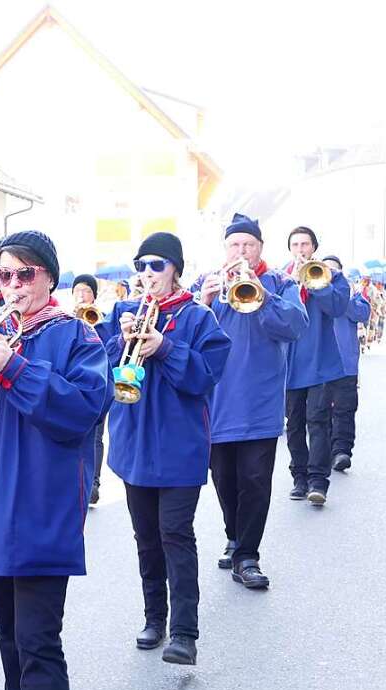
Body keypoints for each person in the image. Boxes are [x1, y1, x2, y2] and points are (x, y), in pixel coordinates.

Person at [0, 231, 111, 690]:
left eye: (25, 275)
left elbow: (83, 410)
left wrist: (14, 367)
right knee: (6, 632)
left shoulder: (76, 337)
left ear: (49, 276)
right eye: (4, 275)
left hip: (42, 508)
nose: (13, 286)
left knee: (39, 639)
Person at [98, 232, 230, 665]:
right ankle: (154, 618)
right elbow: (102, 372)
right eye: (142, 266)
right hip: (134, 444)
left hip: (179, 447)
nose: (148, 274)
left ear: (175, 268)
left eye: (157, 265)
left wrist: (165, 346)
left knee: (175, 534)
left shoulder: (198, 317)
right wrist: (119, 342)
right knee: (146, 538)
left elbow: (204, 377)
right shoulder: (123, 312)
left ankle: (184, 633)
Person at [194, 213, 307, 589]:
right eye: (234, 245)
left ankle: (247, 556)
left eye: (249, 245)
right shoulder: (206, 283)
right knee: (224, 479)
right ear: (225, 249)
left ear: (260, 248)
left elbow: (295, 326)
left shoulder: (279, 282)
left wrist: (261, 293)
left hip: (260, 402)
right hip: (217, 403)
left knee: (255, 481)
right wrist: (203, 302)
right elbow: (183, 340)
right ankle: (234, 535)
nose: (241, 251)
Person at [283, 226, 350, 506]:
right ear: (290, 249)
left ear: (314, 248)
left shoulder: (332, 276)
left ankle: (318, 482)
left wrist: (315, 283)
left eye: (305, 244)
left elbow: (337, 307)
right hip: (289, 364)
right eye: (295, 244)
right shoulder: (281, 277)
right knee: (294, 425)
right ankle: (299, 477)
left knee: (318, 422)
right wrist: (292, 282)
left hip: (320, 362)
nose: (300, 249)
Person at [322, 255, 370, 473]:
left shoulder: (352, 295)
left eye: (334, 272)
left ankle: (341, 451)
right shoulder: (313, 293)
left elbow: (363, 314)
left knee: (345, 409)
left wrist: (344, 295)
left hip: (345, 364)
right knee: (319, 412)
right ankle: (323, 451)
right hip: (318, 366)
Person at [72, 273, 105, 505]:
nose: (82, 295)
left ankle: (94, 481)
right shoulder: (67, 319)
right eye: (78, 291)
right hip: (77, 384)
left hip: (99, 383)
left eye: (86, 291)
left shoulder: (102, 318)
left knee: (97, 436)